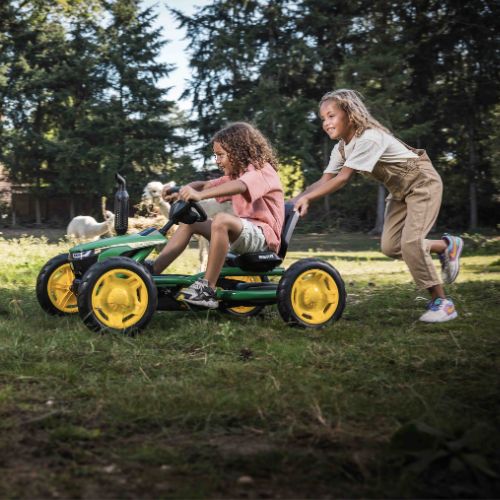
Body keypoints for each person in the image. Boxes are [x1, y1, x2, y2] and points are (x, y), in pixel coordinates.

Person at [293, 89, 463, 323]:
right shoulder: (341, 147)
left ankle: (442, 303)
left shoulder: (368, 138)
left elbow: (342, 179)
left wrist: (309, 199)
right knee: (391, 246)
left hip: (422, 183)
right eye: (323, 119)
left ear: (349, 115)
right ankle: (445, 246)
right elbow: (325, 180)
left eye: (331, 116)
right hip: (399, 192)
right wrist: (295, 200)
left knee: (411, 243)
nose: (326, 123)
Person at [152, 122, 285, 309]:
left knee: (221, 220)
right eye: (216, 155)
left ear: (240, 150)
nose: (217, 160)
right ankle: (151, 273)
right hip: (245, 234)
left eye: (221, 155)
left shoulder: (262, 171)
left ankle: (207, 290)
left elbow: (242, 186)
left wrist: (199, 195)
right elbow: (206, 184)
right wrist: (181, 190)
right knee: (192, 222)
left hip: (264, 237)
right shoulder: (235, 176)